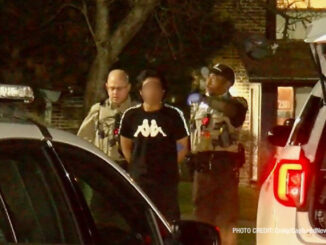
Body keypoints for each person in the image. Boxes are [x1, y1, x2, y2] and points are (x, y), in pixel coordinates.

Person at [188, 64, 247, 245]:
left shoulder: (237, 103)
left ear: (228, 83)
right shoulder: (198, 107)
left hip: (224, 170)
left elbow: (231, 112)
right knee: (201, 219)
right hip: (202, 169)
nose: (209, 80)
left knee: (226, 220)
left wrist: (205, 98)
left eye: (216, 77)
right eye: (209, 76)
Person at [119, 69, 189, 222]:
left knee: (167, 220)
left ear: (163, 91)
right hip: (139, 179)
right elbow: (125, 144)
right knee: (140, 219)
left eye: (156, 87)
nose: (152, 91)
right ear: (141, 91)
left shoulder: (173, 115)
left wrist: (170, 163)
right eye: (147, 87)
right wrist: (136, 164)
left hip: (165, 181)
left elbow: (182, 144)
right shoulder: (131, 116)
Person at [77, 69, 135, 169]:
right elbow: (83, 140)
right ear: (106, 87)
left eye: (119, 88)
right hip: (102, 166)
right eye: (112, 88)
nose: (115, 92)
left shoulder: (136, 112)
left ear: (128, 87)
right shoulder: (98, 110)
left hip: (128, 167)